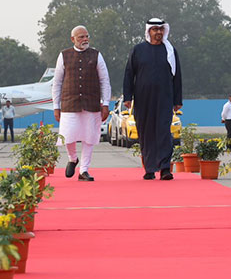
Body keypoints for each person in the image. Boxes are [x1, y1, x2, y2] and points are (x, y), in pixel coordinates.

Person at [123, 18, 183, 181]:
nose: (158, 32)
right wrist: (127, 97)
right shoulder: (138, 50)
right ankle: (149, 168)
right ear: (148, 31)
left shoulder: (170, 51)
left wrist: (178, 99)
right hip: (143, 99)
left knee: (164, 132)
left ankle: (164, 168)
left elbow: (176, 76)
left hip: (165, 97)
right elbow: (129, 73)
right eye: (155, 29)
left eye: (160, 29)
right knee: (146, 132)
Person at [50, 25, 111, 181]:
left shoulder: (96, 55)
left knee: (89, 137)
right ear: (73, 39)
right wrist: (56, 106)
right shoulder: (64, 55)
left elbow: (104, 80)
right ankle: (72, 158)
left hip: (91, 102)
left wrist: (105, 103)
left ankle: (84, 170)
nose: (85, 39)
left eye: (86, 36)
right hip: (70, 102)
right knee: (67, 136)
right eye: (81, 37)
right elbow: (57, 82)